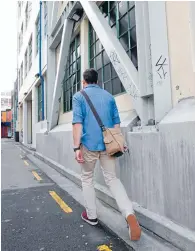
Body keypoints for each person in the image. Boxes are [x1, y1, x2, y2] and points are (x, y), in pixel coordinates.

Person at [72, 68, 141, 241]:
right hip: (108, 145)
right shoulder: (109, 97)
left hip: (88, 144)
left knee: (87, 177)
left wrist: (76, 147)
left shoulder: (79, 97)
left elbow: (77, 124)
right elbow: (116, 125)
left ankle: (92, 215)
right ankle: (129, 214)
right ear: (97, 81)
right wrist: (119, 144)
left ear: (84, 81)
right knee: (112, 179)